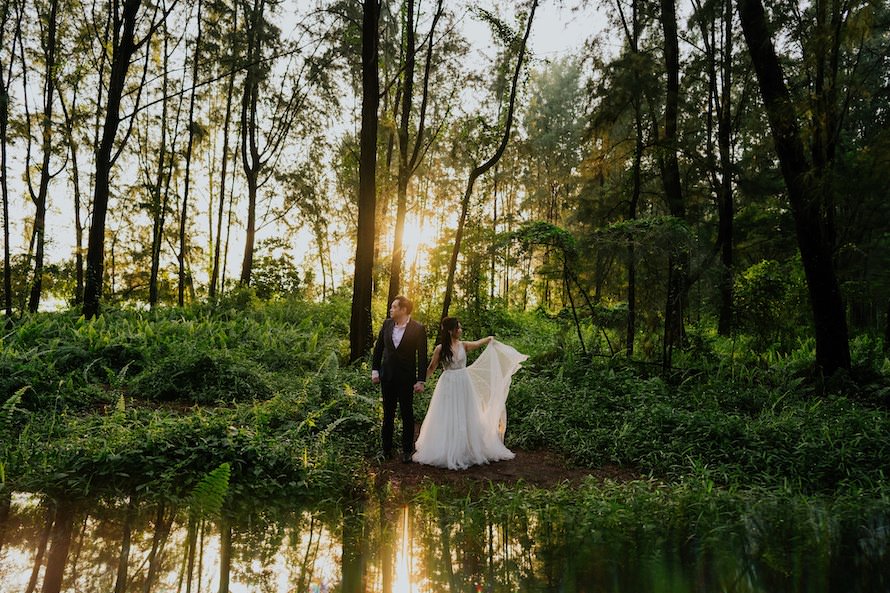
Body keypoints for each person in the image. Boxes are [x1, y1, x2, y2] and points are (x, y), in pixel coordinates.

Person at [412, 317, 528, 470]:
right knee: (447, 414)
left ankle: (468, 447)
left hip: (463, 382)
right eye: (458, 328)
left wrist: (488, 339)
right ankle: (447, 447)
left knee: (466, 413)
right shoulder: (440, 349)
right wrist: (420, 382)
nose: (460, 330)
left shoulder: (464, 345)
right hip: (448, 383)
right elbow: (432, 367)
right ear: (450, 330)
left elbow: (478, 343)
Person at [372, 296, 428, 463]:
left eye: (394, 307)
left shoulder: (418, 328)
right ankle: (386, 449)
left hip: (406, 378)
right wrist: (375, 370)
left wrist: (420, 380)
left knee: (407, 414)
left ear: (403, 310)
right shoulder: (387, 324)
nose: (391, 309)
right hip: (387, 376)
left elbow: (422, 356)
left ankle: (406, 450)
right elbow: (379, 349)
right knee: (388, 414)